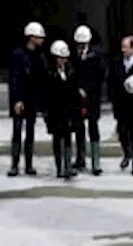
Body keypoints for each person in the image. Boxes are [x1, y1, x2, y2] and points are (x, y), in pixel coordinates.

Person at [7, 21, 47, 177]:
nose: (41, 40)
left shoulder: (39, 56)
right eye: (39, 37)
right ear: (31, 38)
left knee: (30, 132)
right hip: (20, 98)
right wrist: (17, 99)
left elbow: (41, 79)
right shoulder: (18, 55)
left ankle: (29, 164)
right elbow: (14, 79)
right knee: (17, 131)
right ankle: (14, 165)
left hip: (32, 99)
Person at [45, 40, 82, 179]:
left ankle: (67, 166)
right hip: (55, 111)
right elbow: (47, 95)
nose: (64, 60)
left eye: (65, 58)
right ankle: (59, 167)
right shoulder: (50, 73)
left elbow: (73, 91)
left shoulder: (70, 71)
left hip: (68, 111)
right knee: (57, 139)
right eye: (61, 58)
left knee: (67, 138)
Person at [72, 24, 106, 175]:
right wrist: (77, 89)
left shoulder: (96, 55)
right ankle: (80, 158)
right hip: (77, 96)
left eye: (83, 43)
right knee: (79, 127)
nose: (81, 46)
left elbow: (100, 76)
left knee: (93, 127)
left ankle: (95, 161)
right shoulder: (73, 55)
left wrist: (88, 89)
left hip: (92, 96)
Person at [108, 33, 133, 173]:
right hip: (121, 103)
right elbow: (111, 82)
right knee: (122, 132)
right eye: (122, 47)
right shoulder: (116, 62)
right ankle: (126, 154)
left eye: (126, 47)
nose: (123, 50)